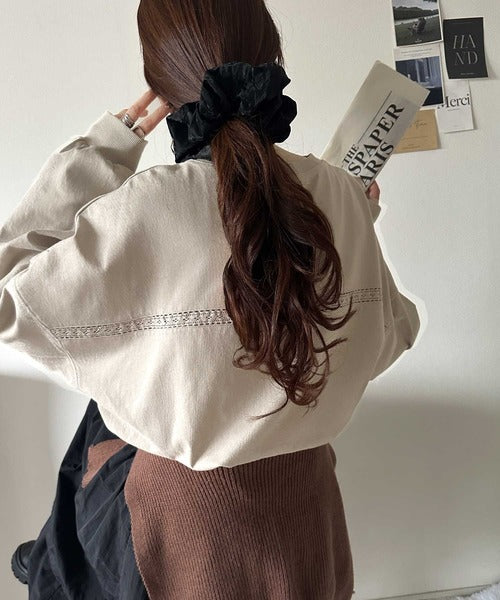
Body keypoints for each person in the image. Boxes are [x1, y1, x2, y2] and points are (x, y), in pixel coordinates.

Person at [3, 0, 420, 598]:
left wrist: (108, 145)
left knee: (98, 426)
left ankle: (50, 557)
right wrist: (352, 228)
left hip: (181, 525)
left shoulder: (143, 209)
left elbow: (10, 297)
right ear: (272, 59)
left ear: (160, 82)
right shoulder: (339, 194)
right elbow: (391, 335)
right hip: (302, 504)